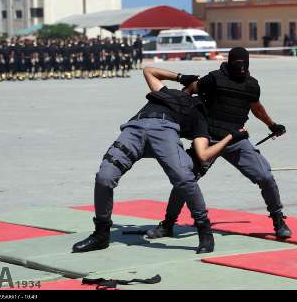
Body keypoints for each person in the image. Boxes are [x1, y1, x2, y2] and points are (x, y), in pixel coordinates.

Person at [72, 66, 249, 255]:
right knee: (104, 177)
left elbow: (204, 154)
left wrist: (230, 137)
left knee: (184, 178)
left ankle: (204, 231)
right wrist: (181, 76)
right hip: (134, 128)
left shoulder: (199, 113)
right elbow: (148, 70)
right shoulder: (165, 92)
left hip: (165, 131)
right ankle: (101, 234)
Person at [147, 47, 293, 240]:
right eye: (237, 64)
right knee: (186, 179)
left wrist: (272, 125)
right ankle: (167, 224)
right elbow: (190, 90)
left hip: (236, 139)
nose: (240, 68)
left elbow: (256, 108)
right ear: (230, 62)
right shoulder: (214, 78)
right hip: (207, 137)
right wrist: (184, 112)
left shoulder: (251, 85)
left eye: (243, 64)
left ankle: (278, 220)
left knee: (265, 176)